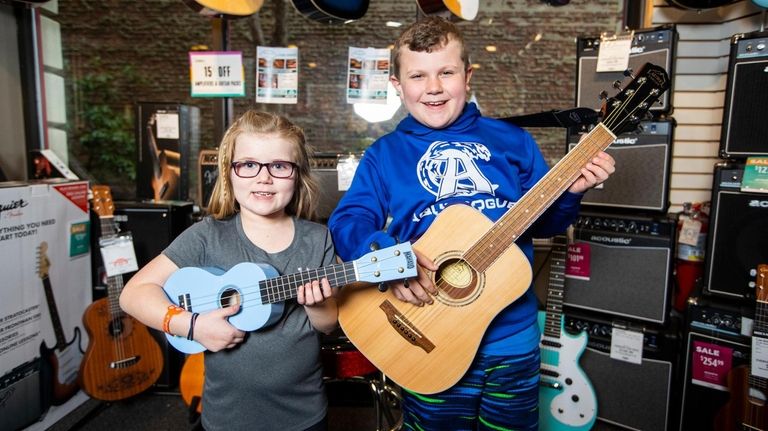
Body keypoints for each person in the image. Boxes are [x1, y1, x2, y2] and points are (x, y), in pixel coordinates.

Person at [327, 16, 615, 431]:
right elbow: (350, 220)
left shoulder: (513, 142)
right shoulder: (384, 154)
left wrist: (571, 193)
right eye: (418, 75)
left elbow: (542, 222)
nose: (434, 87)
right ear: (396, 85)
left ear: (468, 75)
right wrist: (389, 261)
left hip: (512, 339)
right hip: (427, 331)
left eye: (446, 72)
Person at [120, 110, 338, 431]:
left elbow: (328, 324)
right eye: (248, 165)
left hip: (303, 415)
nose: (264, 177)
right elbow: (133, 294)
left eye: (279, 166)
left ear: (298, 174)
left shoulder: (318, 239)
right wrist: (191, 326)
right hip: (227, 418)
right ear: (230, 173)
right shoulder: (207, 236)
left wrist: (317, 305)